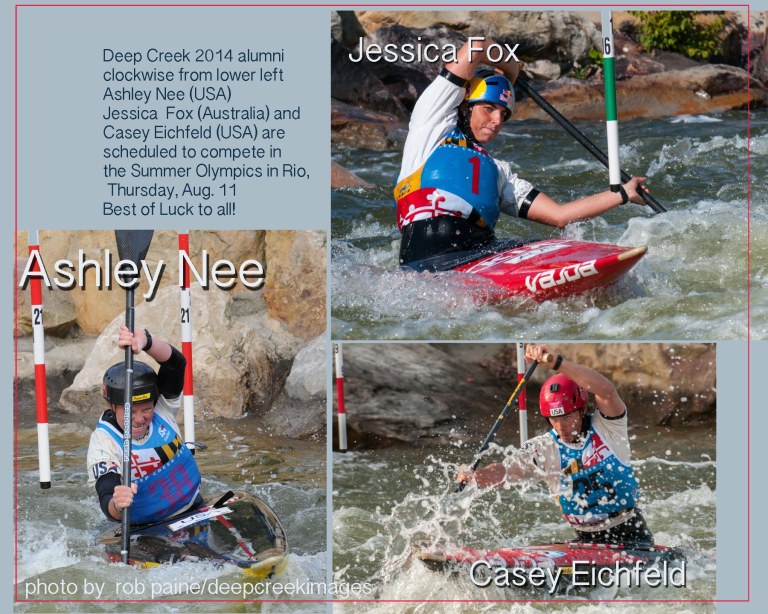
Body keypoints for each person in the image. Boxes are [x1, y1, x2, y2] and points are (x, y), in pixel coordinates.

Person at [394, 38, 650, 270]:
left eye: (503, 114)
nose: (497, 120)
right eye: (489, 108)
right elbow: (477, 47)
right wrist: (511, 70)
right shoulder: (431, 126)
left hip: (480, 255)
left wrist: (623, 194)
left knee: (557, 248)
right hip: (427, 257)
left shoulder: (499, 172)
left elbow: (560, 216)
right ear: (464, 105)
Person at [456, 344, 654, 548]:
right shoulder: (543, 448)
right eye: (554, 419)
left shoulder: (608, 427)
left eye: (567, 417)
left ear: (582, 409)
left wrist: (557, 363)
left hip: (631, 535)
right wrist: (478, 476)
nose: (561, 427)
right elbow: (508, 471)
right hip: (585, 541)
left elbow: (606, 390)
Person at [87, 325, 203, 523]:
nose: (140, 418)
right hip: (147, 529)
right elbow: (106, 494)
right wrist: (117, 504)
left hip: (194, 508)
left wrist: (147, 341)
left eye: (146, 409)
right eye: (131, 411)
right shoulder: (104, 440)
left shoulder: (163, 408)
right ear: (112, 406)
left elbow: (176, 364)